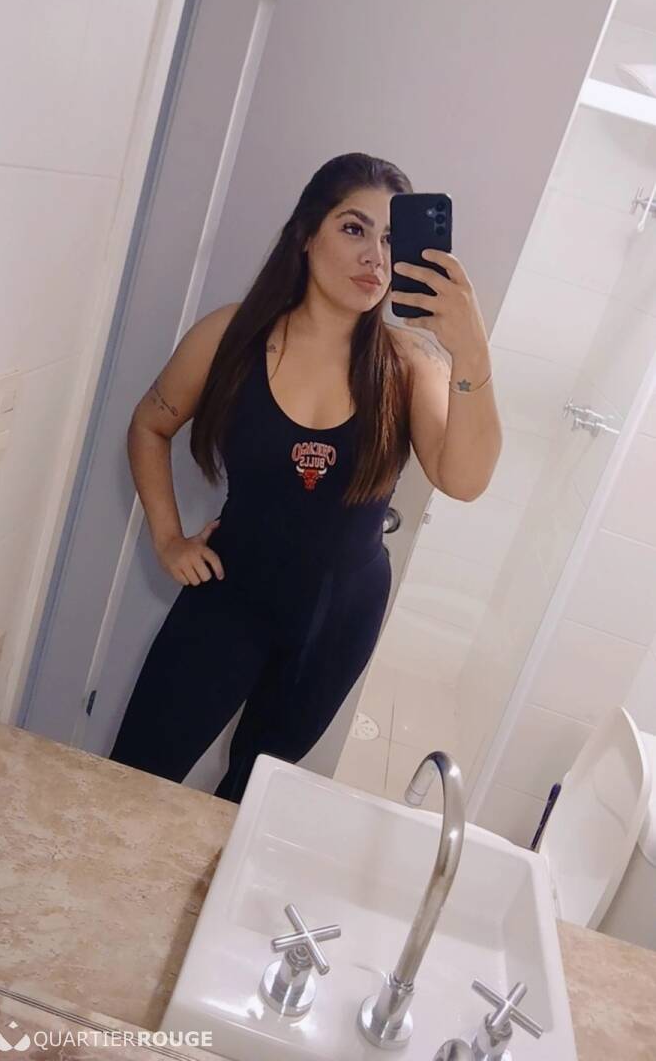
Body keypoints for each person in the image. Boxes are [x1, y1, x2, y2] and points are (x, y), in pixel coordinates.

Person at [108, 152, 500, 803]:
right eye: (353, 228)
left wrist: (471, 351)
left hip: (339, 618)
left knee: (249, 799)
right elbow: (149, 424)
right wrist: (168, 538)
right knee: (134, 775)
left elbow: (464, 479)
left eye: (389, 239)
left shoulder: (408, 365)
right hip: (228, 596)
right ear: (306, 234)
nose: (374, 256)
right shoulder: (230, 336)